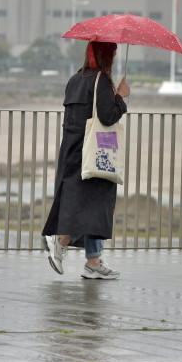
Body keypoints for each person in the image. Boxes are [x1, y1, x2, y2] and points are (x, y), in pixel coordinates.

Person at [42, 41, 131, 279]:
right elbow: (108, 116)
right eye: (112, 53)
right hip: (93, 152)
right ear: (107, 56)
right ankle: (60, 242)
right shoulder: (101, 80)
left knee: (85, 200)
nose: (114, 57)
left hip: (72, 150)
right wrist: (121, 97)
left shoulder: (75, 79)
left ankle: (93, 261)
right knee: (92, 202)